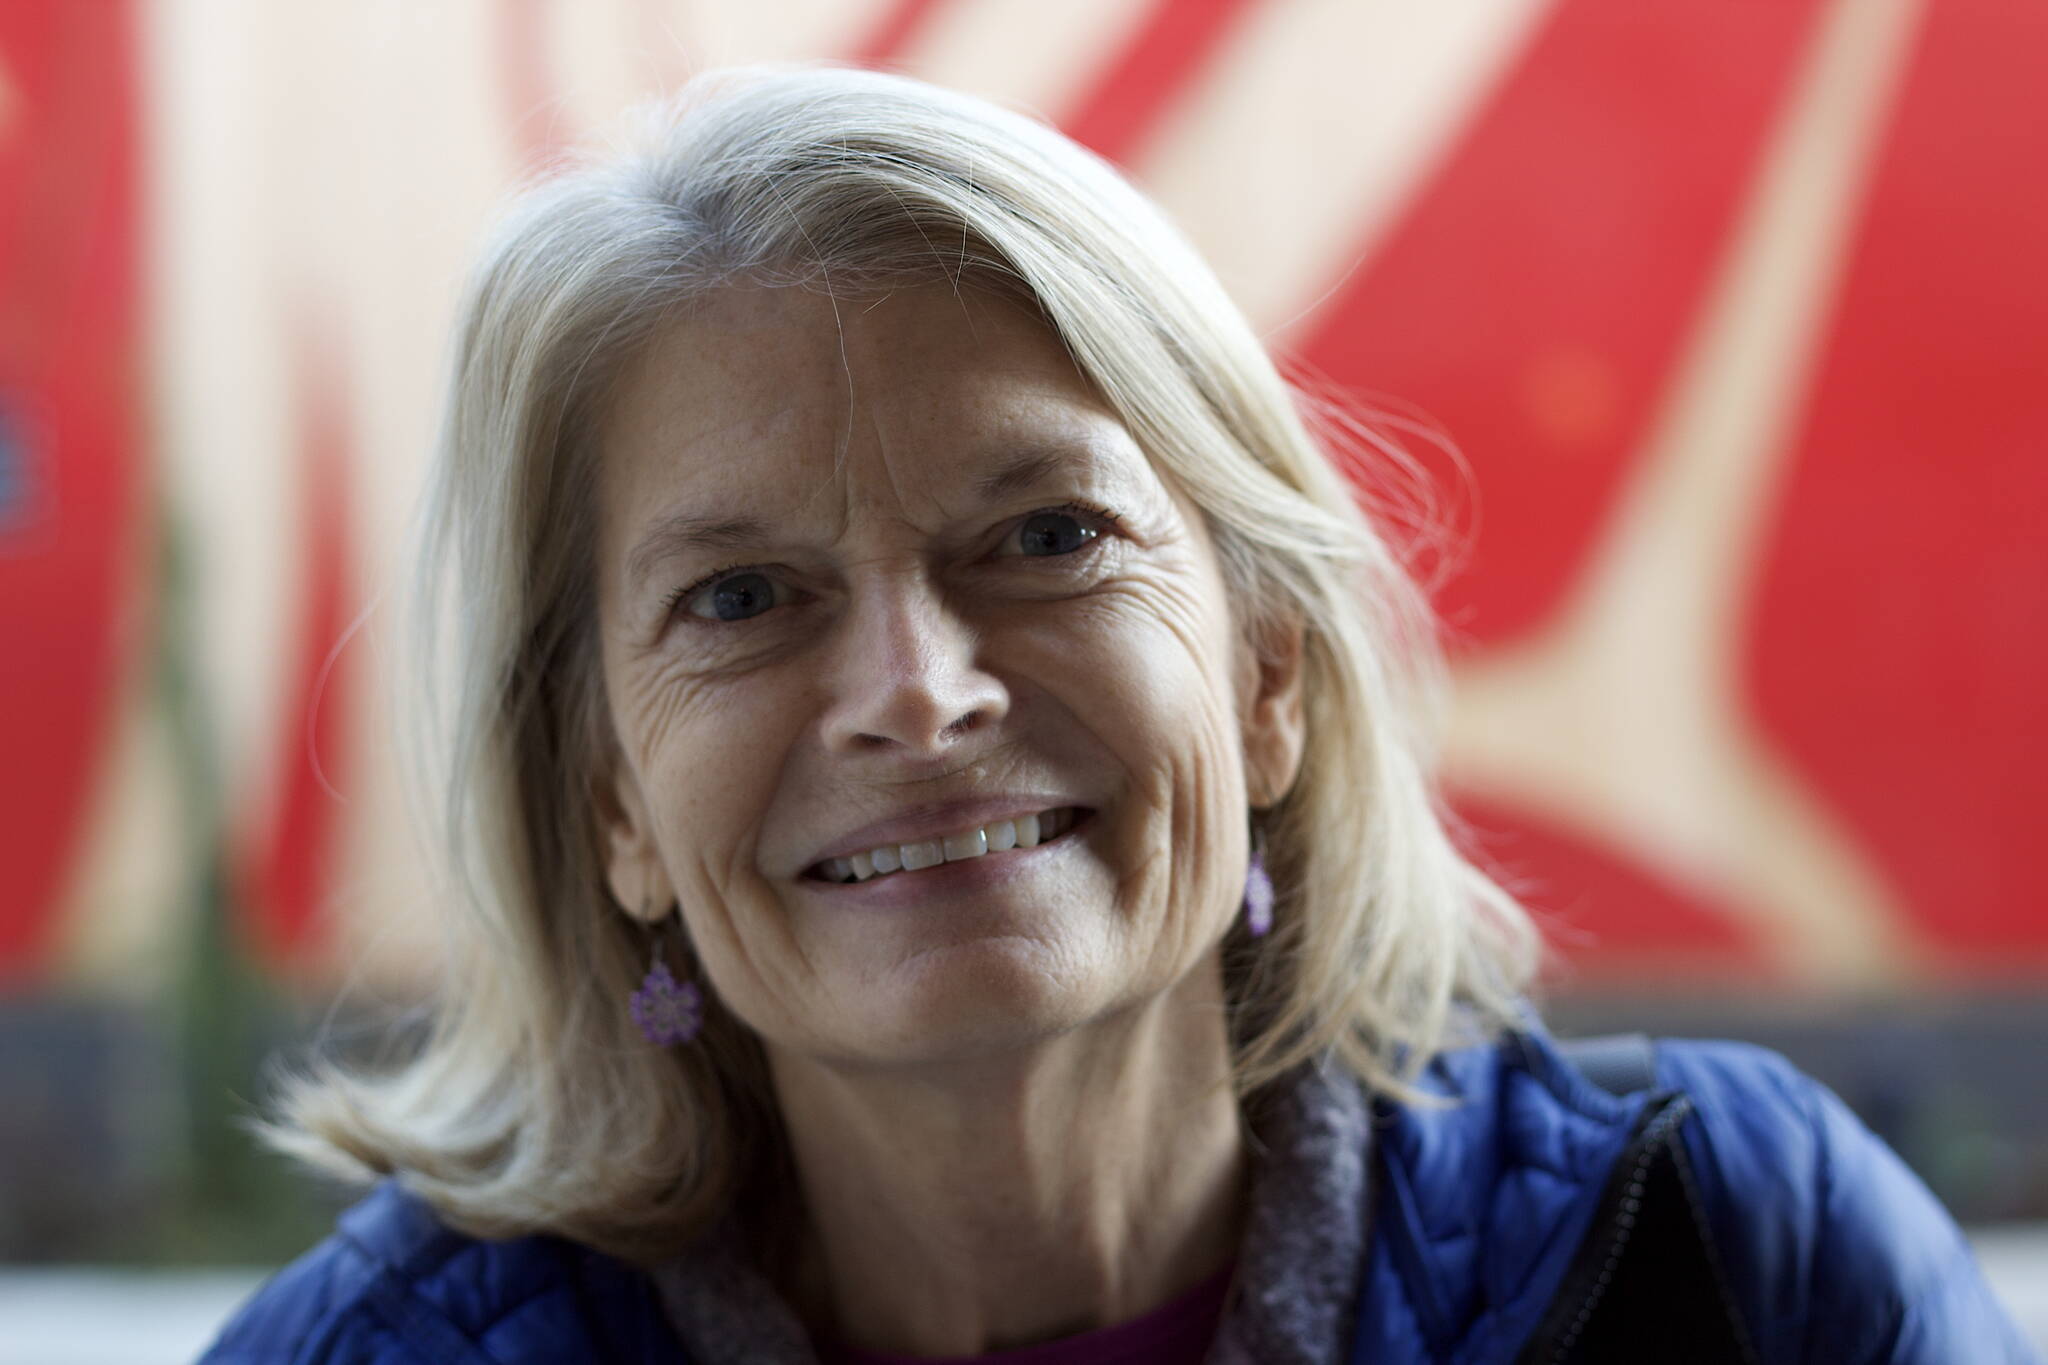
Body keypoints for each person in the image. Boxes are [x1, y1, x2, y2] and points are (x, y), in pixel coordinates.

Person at [200, 66, 2035, 1364]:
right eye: (743, 597)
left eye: (1047, 536)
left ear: (1264, 678)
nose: (920, 693)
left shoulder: (1736, 1260)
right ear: (608, 797)